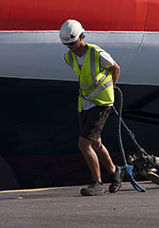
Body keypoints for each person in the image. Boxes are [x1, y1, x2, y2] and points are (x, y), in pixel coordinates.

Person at [60, 19, 124, 196]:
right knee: (95, 142)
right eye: (67, 44)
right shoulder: (69, 57)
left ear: (82, 36)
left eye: (73, 43)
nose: (70, 47)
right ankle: (115, 172)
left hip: (102, 103)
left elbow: (115, 69)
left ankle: (97, 182)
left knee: (84, 143)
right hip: (86, 103)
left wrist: (109, 89)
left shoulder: (98, 53)